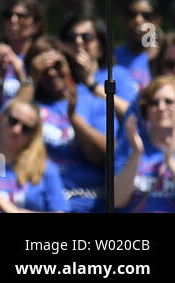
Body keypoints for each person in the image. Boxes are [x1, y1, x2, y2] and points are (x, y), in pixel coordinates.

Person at [16, 37, 107, 213]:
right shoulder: (29, 104)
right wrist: (30, 79)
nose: (51, 73)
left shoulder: (92, 101)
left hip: (89, 203)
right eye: (44, 68)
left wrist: (74, 118)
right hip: (41, 204)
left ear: (70, 66)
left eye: (58, 65)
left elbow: (105, 155)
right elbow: (6, 125)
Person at [0, 98, 69, 212]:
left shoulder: (46, 170)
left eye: (26, 128)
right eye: (13, 121)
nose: (16, 130)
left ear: (33, 135)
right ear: (1, 118)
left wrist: (11, 209)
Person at [115, 75, 175, 212]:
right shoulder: (129, 144)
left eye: (169, 102)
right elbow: (117, 200)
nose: (161, 107)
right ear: (145, 110)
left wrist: (170, 161)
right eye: (154, 103)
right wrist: (136, 154)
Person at [0, 0, 44, 122]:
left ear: (36, 26)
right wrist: (1, 74)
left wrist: (21, 74)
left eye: (22, 16)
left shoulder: (42, 61)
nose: (13, 20)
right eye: (8, 15)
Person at [60, 14, 134, 119]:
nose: (78, 41)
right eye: (72, 37)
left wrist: (91, 82)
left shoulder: (117, 74)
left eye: (86, 37)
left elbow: (130, 113)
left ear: (101, 48)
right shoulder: (58, 78)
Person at [115, 0, 163, 99]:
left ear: (157, 22)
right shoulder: (113, 58)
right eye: (132, 15)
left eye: (146, 16)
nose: (138, 20)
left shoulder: (165, 58)